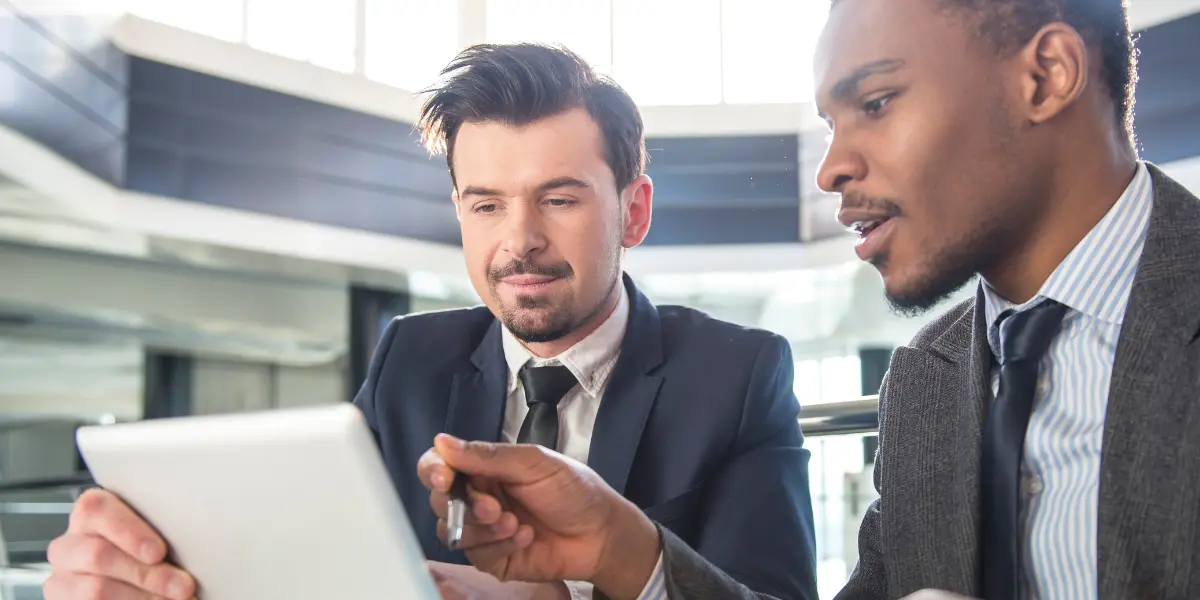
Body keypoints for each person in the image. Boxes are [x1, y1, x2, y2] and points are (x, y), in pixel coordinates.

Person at [411, 0, 1200, 599]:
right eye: (829, 121)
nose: (829, 170)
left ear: (1046, 75)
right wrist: (623, 551)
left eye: (877, 102)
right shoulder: (926, 380)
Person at [39, 43, 820, 600]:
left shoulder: (738, 375)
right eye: (486, 205)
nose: (519, 240)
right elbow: (316, 558)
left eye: (559, 199)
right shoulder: (410, 357)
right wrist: (155, 567)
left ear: (634, 211)